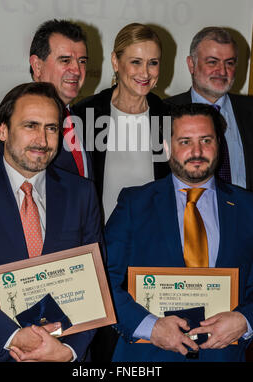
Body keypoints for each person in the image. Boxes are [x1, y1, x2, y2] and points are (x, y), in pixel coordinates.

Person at [105, 103, 253, 362]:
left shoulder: (248, 207)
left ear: (219, 143)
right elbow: (103, 281)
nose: (197, 151)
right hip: (147, 357)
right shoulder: (134, 204)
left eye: (205, 140)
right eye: (185, 141)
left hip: (223, 355)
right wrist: (150, 327)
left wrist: (246, 320)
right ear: (166, 146)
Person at [0, 82, 102, 362]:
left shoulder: (81, 193)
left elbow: (96, 281)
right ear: (2, 130)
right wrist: (11, 337)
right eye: (30, 126)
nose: (42, 139)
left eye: (51, 128)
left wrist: (68, 350)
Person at [74, 22, 170, 223]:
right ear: (115, 62)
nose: (145, 73)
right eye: (136, 62)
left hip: (153, 240)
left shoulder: (167, 117)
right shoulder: (85, 114)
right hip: (101, 241)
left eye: (153, 62)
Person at [0, 19, 93, 179]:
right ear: (37, 66)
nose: (76, 70)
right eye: (65, 60)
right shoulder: (6, 120)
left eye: (82, 61)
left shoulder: (80, 119)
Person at [166, 26, 253, 190]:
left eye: (229, 63)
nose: (222, 71)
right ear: (192, 64)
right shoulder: (163, 112)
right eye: (212, 62)